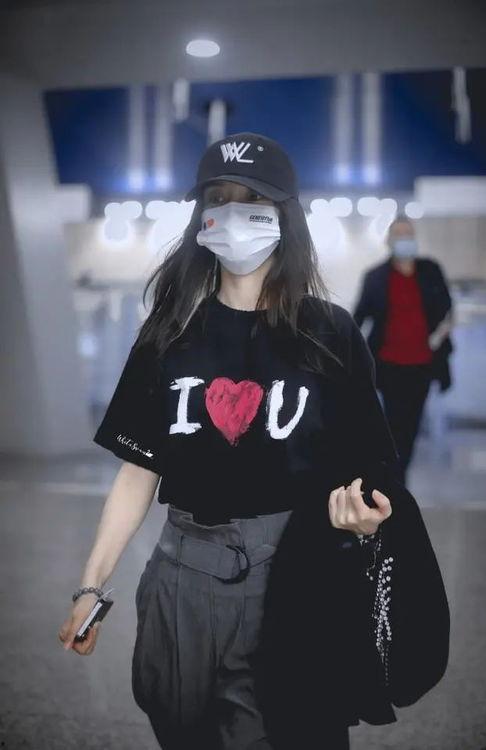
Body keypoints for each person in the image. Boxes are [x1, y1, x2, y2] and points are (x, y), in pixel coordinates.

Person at [58, 134, 450, 750]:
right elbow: (138, 471)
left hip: (293, 572)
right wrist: (91, 584)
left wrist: (364, 513)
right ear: (201, 217)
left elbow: (371, 462)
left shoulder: (328, 332)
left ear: (284, 216)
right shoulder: (169, 333)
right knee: (180, 728)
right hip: (180, 578)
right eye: (218, 198)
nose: (233, 214)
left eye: (253, 200)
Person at [353, 215, 454, 484]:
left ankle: (399, 473)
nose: (404, 239)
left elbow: (447, 308)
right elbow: (359, 317)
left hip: (423, 364)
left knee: (412, 424)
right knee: (393, 425)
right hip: (389, 364)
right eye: (399, 234)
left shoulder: (430, 271)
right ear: (388, 240)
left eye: (408, 234)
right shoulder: (376, 277)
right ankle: (396, 478)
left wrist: (442, 332)